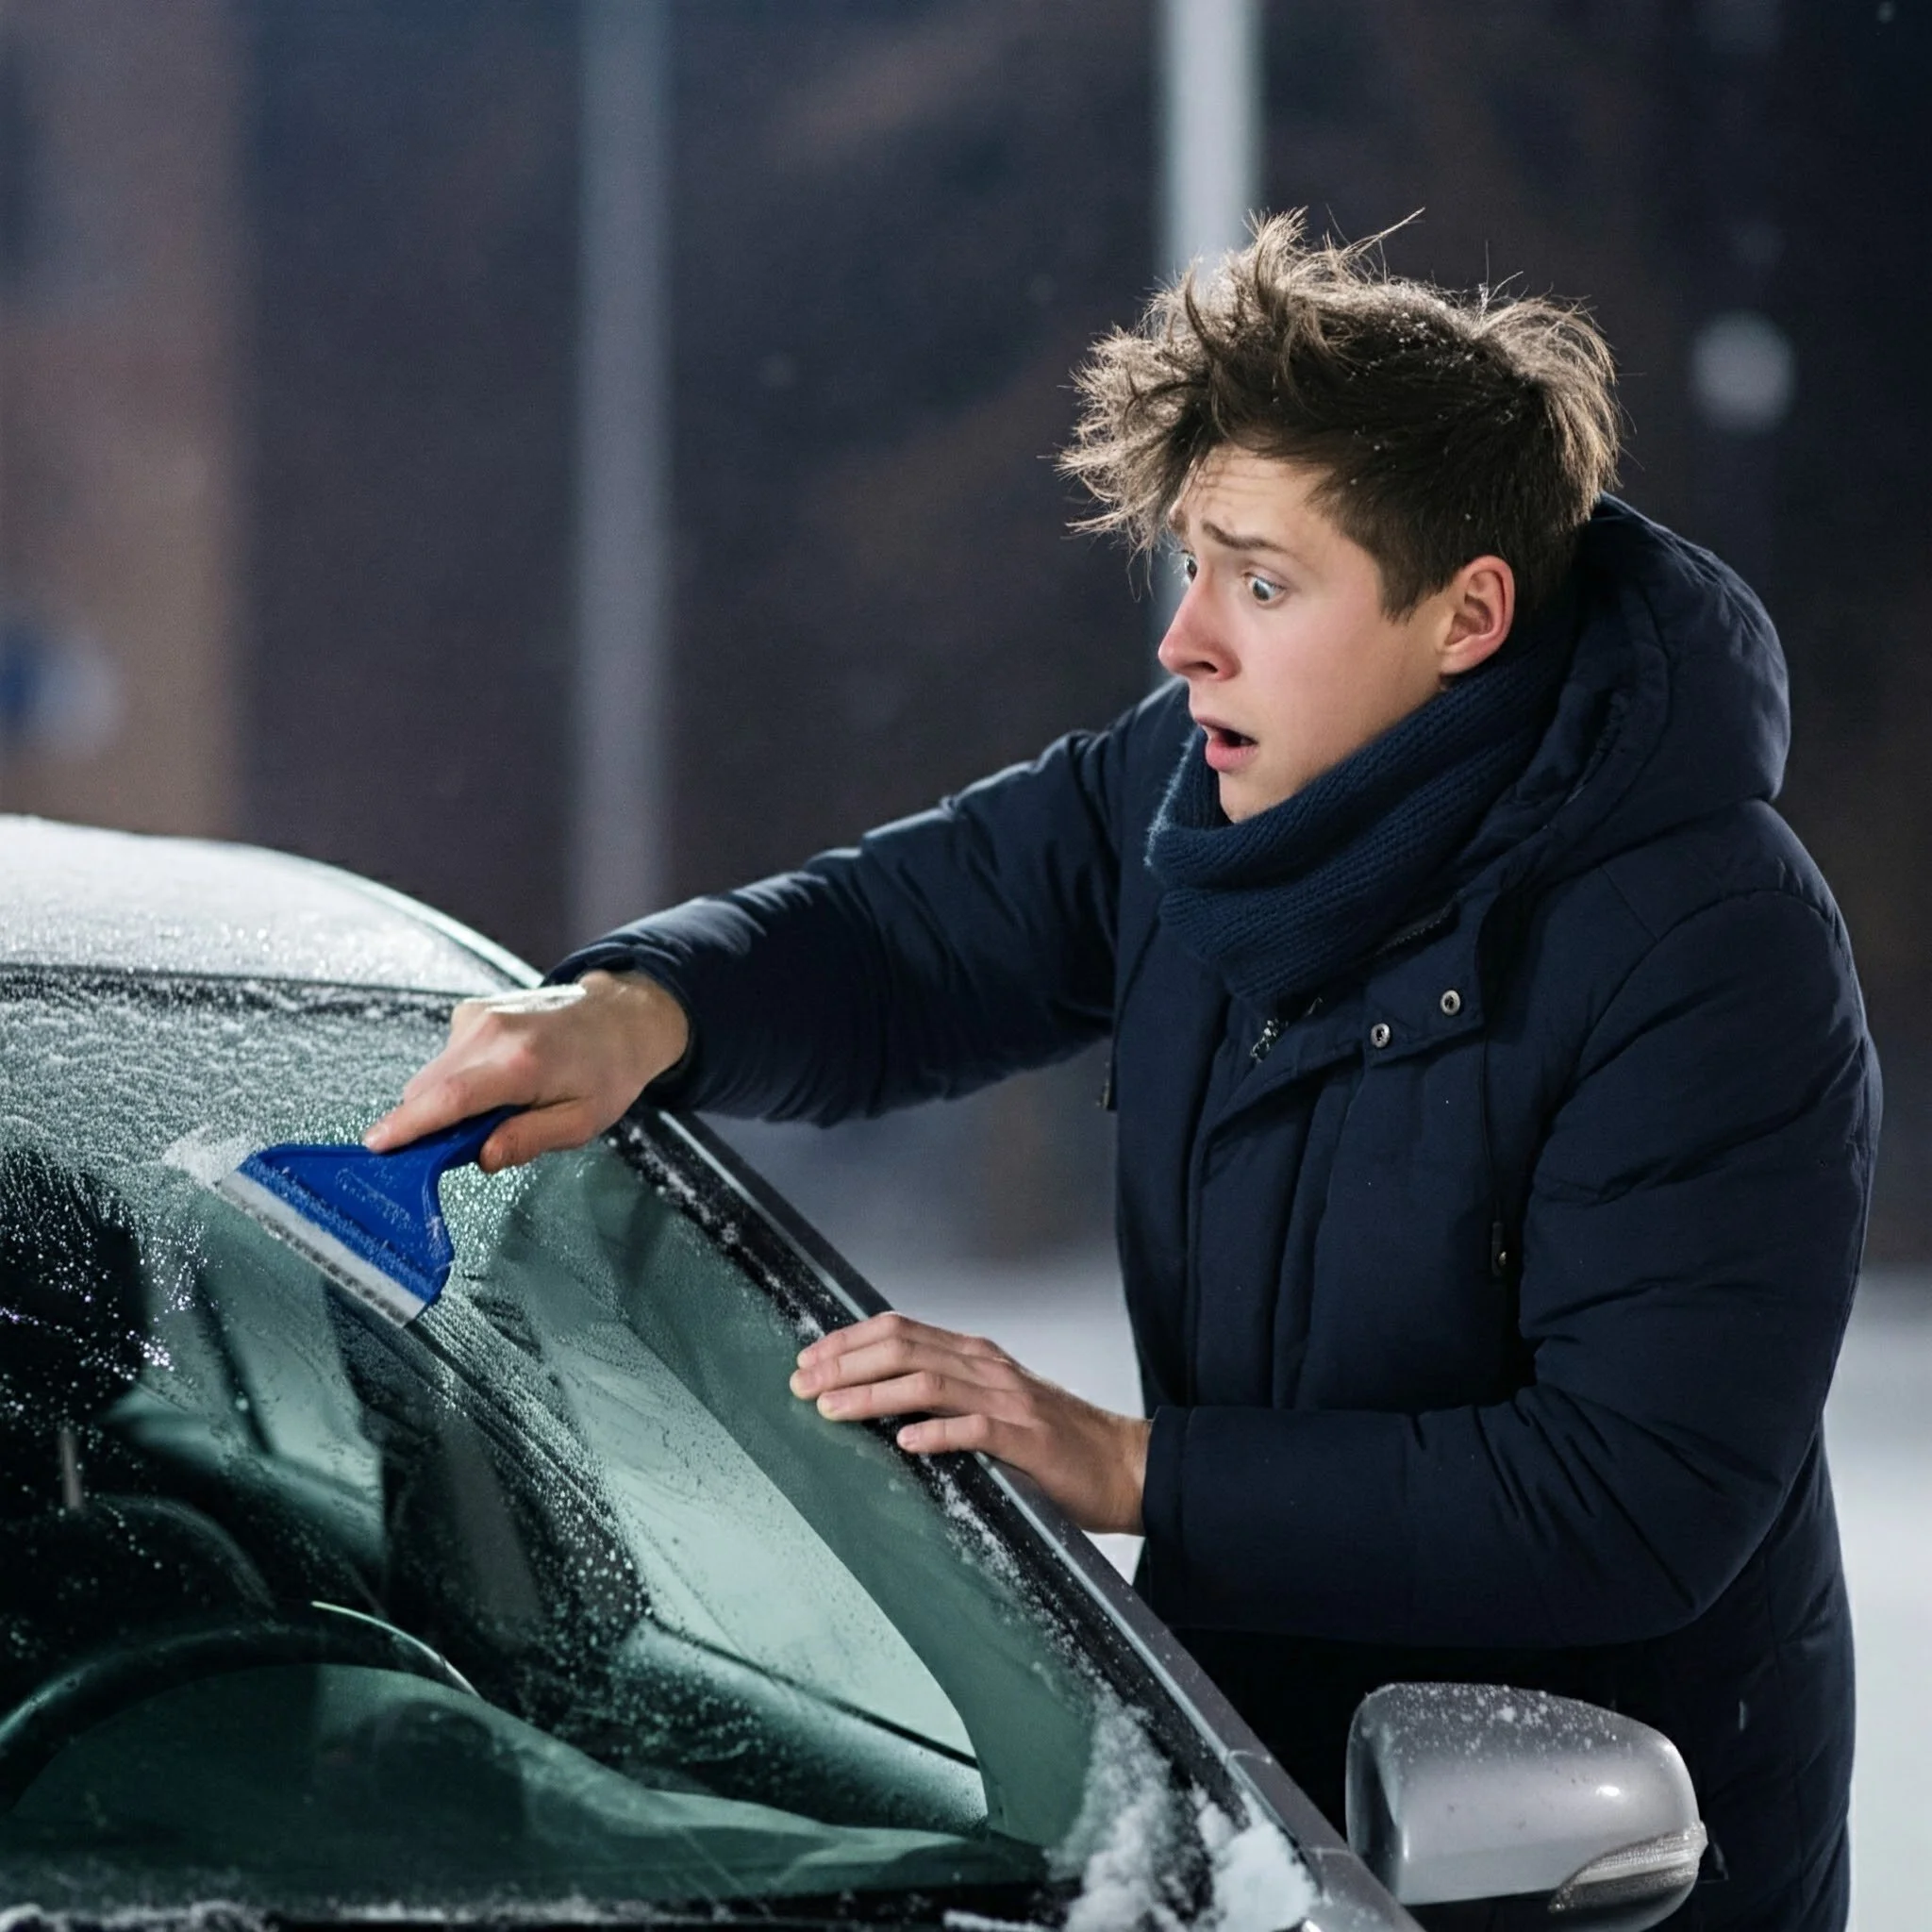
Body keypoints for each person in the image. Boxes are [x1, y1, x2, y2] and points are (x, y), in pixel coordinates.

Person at [370, 214, 1876, 1930]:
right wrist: (649, 1005)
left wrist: (1133, 1467)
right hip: (1257, 1793)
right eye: (1192, 566)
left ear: (1467, 614)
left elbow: (1630, 1494)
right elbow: (909, 936)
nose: (1186, 644)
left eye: (1262, 579)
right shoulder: (1198, 793)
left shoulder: (1704, 941)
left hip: (1601, 1851)